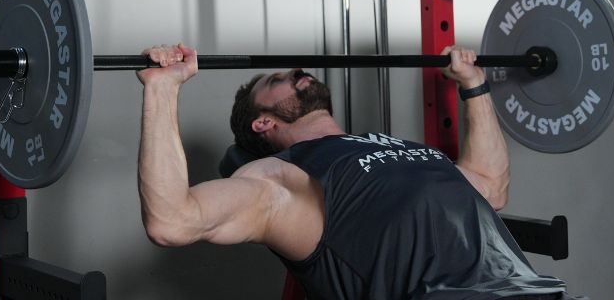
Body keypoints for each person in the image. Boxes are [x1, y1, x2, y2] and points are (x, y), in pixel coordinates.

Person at [136, 43, 578, 300]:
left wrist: (474, 83)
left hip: (536, 291)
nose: (295, 71)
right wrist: (162, 90)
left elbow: (490, 186)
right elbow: (172, 220)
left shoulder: (395, 145)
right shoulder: (279, 180)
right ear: (263, 122)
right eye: (275, 80)